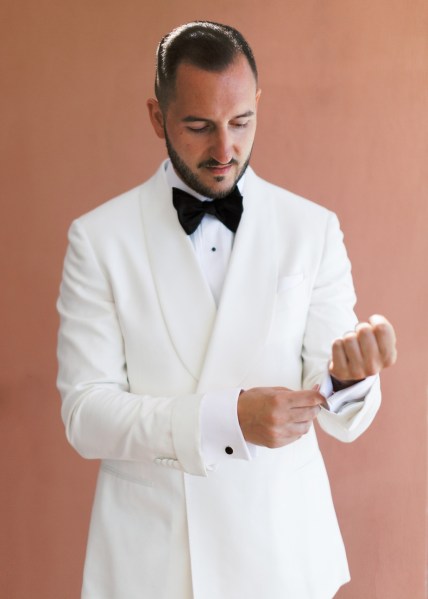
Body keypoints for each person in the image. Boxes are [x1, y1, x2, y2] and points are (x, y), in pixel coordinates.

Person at [56, 21, 397, 599]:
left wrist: (348, 377)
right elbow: (85, 415)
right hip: (154, 563)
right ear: (157, 117)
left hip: (281, 555)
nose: (224, 150)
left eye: (242, 122)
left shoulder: (311, 230)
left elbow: (336, 404)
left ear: (258, 104)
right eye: (198, 126)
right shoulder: (98, 239)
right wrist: (225, 420)